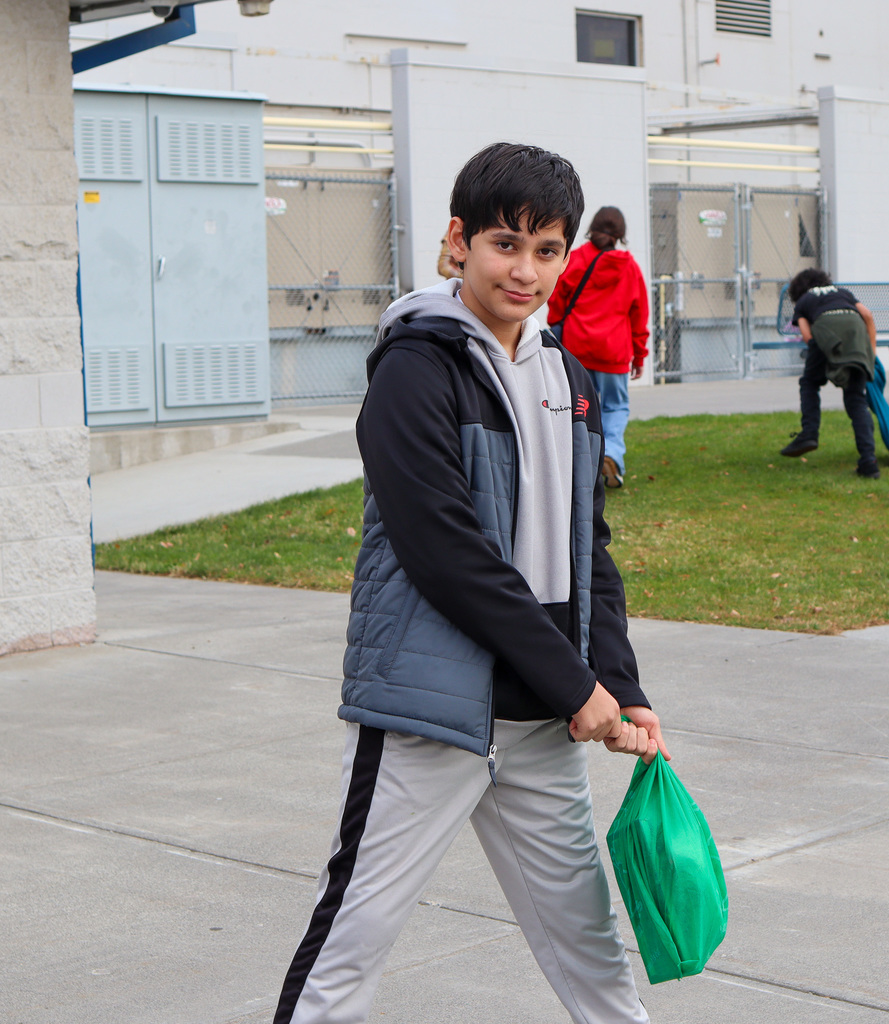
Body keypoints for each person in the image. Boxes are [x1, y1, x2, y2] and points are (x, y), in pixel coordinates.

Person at [273, 142, 669, 1024]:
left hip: (537, 717)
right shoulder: (414, 369)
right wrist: (580, 687)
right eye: (504, 244)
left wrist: (620, 684)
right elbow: (447, 553)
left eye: (547, 251)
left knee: (593, 949)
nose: (524, 271)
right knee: (354, 939)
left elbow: (585, 548)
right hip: (431, 715)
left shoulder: (562, 372)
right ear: (458, 242)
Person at [546, 206, 649, 489]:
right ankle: (612, 454)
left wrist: (558, 324)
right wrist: (639, 355)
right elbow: (639, 314)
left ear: (591, 228)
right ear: (621, 235)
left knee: (579, 408)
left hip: (576, 347)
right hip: (614, 352)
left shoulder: (575, 260)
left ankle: (581, 463)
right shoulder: (629, 268)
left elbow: (555, 298)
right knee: (615, 407)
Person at [780, 268, 880, 479]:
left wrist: (822, 358)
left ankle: (809, 433)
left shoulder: (805, 300)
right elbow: (867, 315)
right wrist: (870, 352)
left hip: (825, 331)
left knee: (809, 383)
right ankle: (869, 461)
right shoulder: (842, 292)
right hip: (857, 336)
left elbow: (808, 336)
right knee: (855, 398)